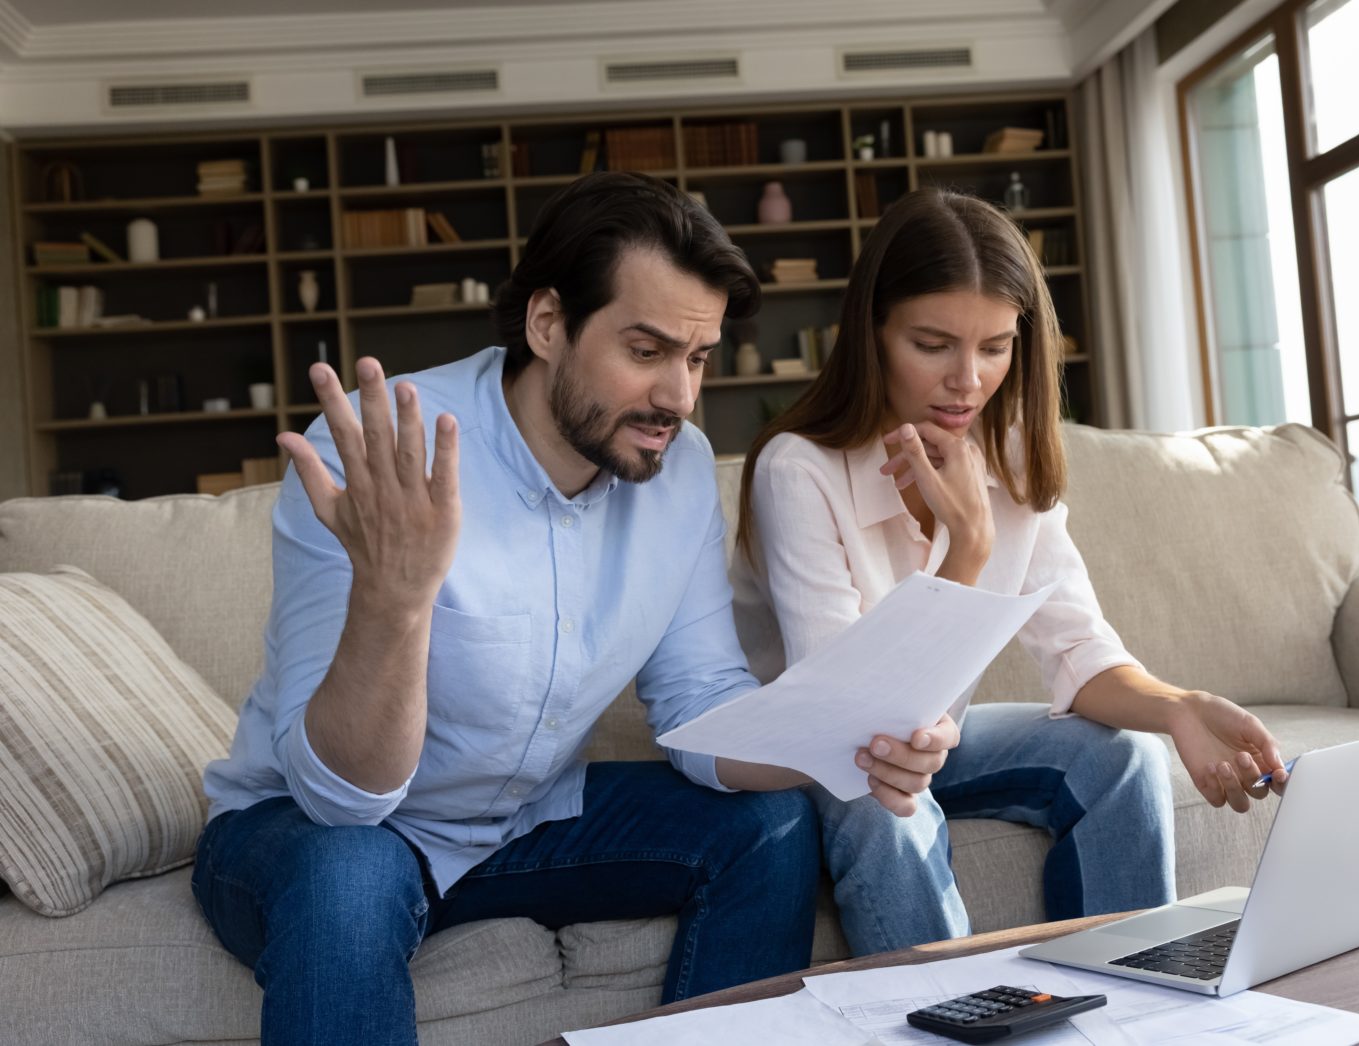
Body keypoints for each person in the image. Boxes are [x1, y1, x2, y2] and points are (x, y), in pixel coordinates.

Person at [193, 173, 951, 1046]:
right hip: (313, 831)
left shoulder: (677, 471)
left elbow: (701, 703)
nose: (679, 396)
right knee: (348, 875)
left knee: (767, 824)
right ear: (547, 324)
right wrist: (396, 606)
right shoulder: (378, 455)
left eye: (697, 358)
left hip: (526, 820)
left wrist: (854, 742)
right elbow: (340, 799)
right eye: (646, 350)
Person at [730, 187, 1291, 957]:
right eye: (933, 345)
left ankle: (1137, 1001)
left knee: (1123, 755)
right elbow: (857, 715)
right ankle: (963, 1016)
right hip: (831, 760)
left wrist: (1179, 707)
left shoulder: (1015, 457)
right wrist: (967, 541)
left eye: (995, 347)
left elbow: (1079, 652)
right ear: (873, 333)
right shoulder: (800, 470)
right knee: (883, 801)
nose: (968, 379)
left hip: (935, 739)